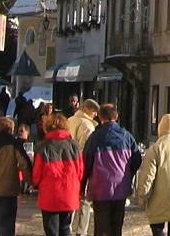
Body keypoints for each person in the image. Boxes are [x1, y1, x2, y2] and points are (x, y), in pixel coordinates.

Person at [83, 103, 142, 236]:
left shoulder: (95, 138)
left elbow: (86, 162)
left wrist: (82, 186)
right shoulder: (127, 137)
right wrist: (128, 174)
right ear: (117, 116)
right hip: (121, 188)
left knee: (101, 228)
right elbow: (137, 159)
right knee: (117, 228)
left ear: (100, 117)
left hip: (100, 188)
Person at [33, 113, 84, 236]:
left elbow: (37, 173)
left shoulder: (43, 147)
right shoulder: (74, 146)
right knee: (65, 228)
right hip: (69, 193)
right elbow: (80, 171)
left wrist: (35, 184)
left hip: (49, 194)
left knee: (51, 230)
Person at [67, 99, 100, 236]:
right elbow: (87, 150)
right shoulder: (87, 126)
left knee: (70, 198)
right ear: (86, 109)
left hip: (69, 165)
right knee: (84, 201)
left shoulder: (70, 120)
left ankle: (67, 228)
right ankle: (81, 231)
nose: (95, 114)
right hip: (81, 166)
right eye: (94, 111)